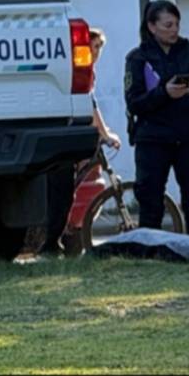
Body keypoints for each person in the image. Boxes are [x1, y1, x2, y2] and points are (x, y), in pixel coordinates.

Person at [124, 0, 189, 239]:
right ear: (152, 27)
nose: (174, 30)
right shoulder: (138, 58)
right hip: (153, 138)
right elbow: (134, 102)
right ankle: (150, 252)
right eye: (168, 25)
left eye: (177, 24)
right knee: (150, 199)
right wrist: (164, 93)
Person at [39, 28, 123, 257]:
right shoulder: (80, 70)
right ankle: (53, 240)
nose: (95, 52)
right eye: (92, 47)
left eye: (98, 48)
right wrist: (105, 133)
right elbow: (90, 104)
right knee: (63, 188)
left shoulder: (88, 71)